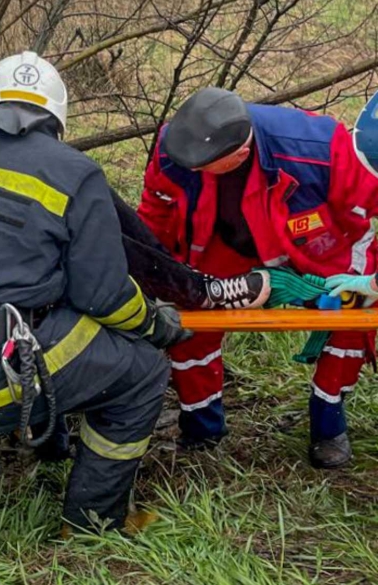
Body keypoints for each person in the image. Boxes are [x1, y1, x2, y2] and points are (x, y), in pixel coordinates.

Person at [0, 52, 187, 531]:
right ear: (55, 117)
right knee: (142, 371)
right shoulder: (75, 173)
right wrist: (155, 324)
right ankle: (96, 519)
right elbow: (104, 295)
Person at [138, 87, 378, 468]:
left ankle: (328, 421)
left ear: (239, 155)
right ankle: (203, 428)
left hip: (320, 249)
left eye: (202, 165)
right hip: (221, 245)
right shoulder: (177, 147)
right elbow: (153, 217)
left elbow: (370, 194)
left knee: (359, 316)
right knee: (190, 322)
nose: (191, 170)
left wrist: (368, 282)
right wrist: (154, 277)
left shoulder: (319, 149)